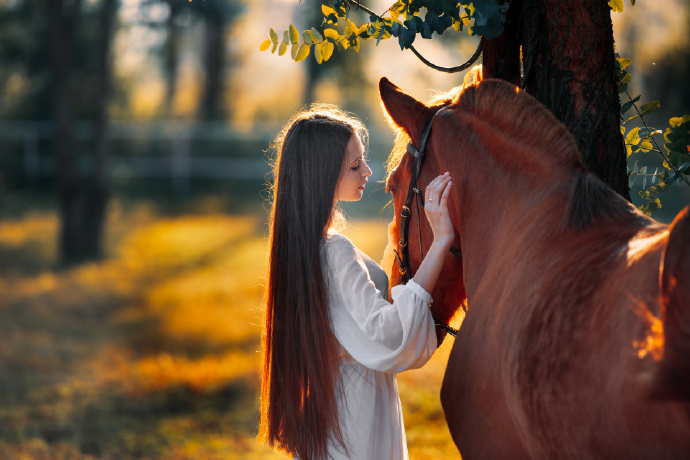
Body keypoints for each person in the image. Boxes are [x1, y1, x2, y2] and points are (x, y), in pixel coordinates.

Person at [258, 103, 454, 460]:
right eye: (354, 165)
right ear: (323, 174)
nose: (367, 170)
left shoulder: (305, 247)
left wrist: (396, 242)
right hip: (357, 414)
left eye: (362, 160)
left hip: (335, 405)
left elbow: (351, 309)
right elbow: (386, 329)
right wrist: (441, 241)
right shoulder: (334, 250)